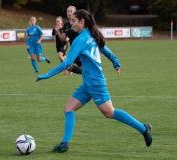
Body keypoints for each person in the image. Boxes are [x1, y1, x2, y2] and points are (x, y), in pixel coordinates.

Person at [35, 9, 153, 153]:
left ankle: (144, 129)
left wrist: (46, 75)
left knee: (109, 112)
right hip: (88, 83)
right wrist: (115, 62)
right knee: (68, 108)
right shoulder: (91, 35)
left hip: (95, 83)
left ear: (82, 21)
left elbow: (67, 63)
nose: (70, 23)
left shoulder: (80, 39)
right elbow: (106, 50)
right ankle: (65, 143)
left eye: (73, 21)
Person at [54, 6, 82, 74]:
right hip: (74, 50)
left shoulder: (79, 22)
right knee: (69, 67)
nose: (69, 13)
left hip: (82, 49)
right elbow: (63, 39)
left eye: (71, 11)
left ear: (75, 12)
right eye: (68, 11)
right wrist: (58, 32)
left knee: (83, 69)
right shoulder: (66, 25)